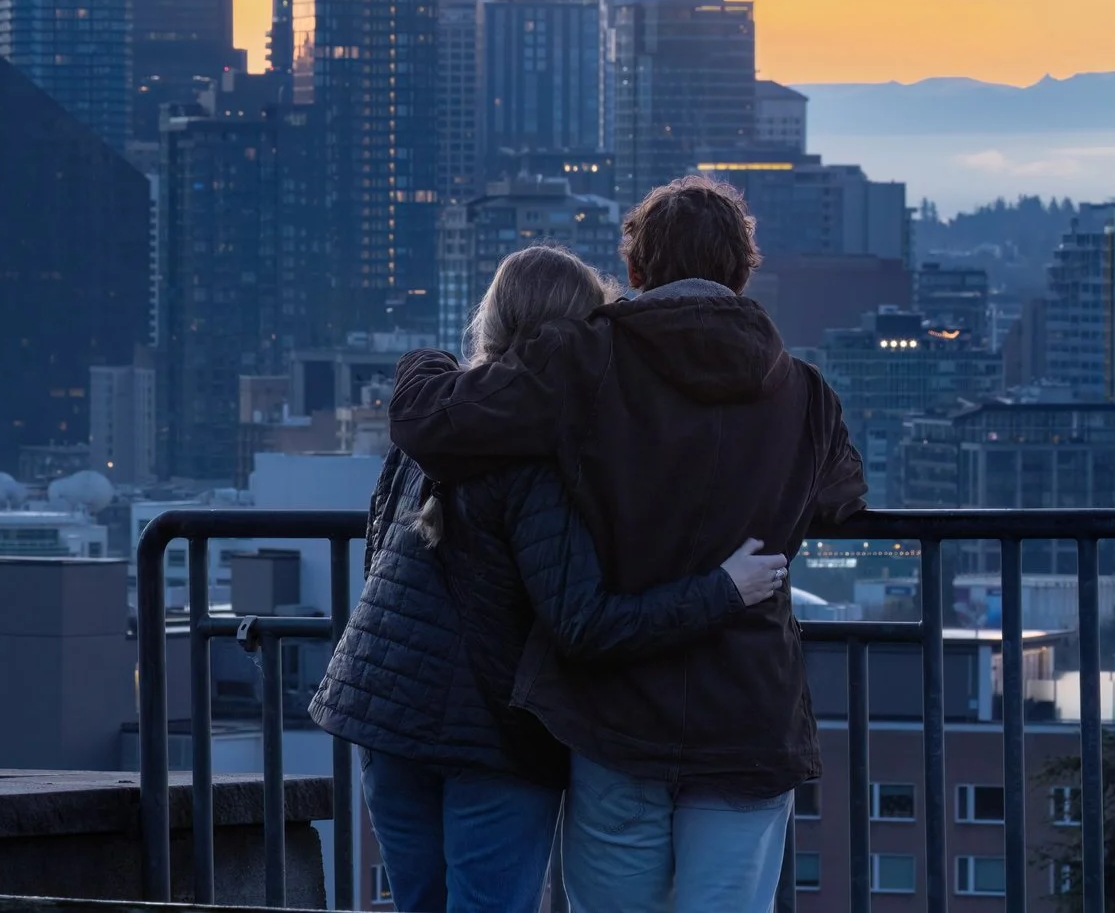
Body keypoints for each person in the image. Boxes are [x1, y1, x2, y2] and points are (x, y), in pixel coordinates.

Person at [389, 176, 867, 913]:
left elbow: (439, 424)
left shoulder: (583, 360)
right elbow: (839, 499)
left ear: (636, 271)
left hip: (615, 710)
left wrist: (422, 364)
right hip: (747, 708)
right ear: (745, 270)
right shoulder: (804, 391)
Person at [310, 245, 790, 913]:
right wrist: (723, 589)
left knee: (418, 901)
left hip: (384, 711)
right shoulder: (543, 455)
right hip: (493, 734)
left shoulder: (434, 427)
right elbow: (583, 622)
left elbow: (376, 558)